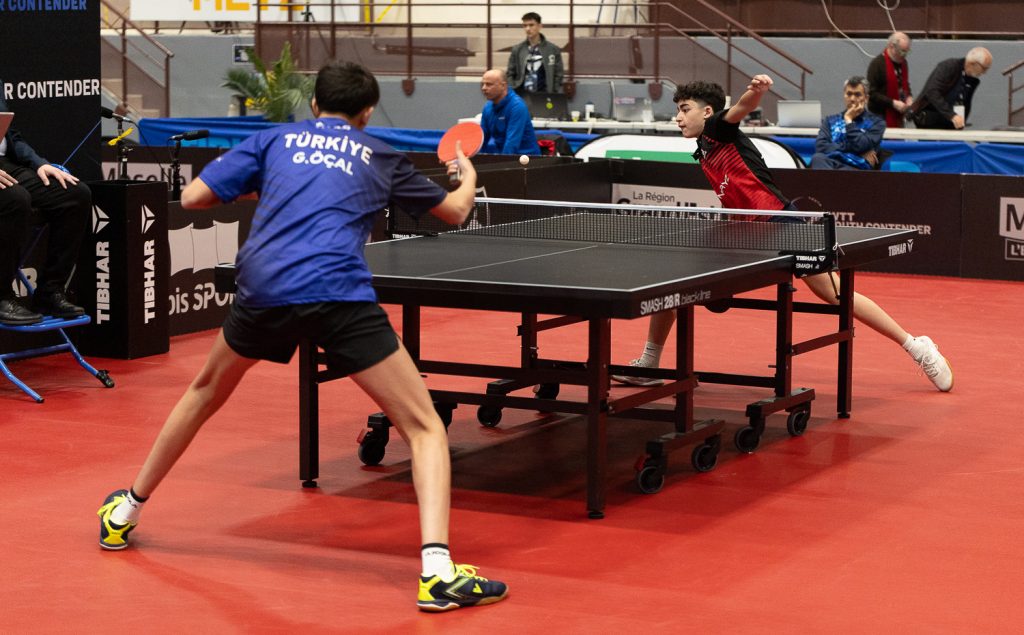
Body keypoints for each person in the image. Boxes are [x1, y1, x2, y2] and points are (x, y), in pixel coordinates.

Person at [95, 61, 508, 612]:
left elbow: (193, 198)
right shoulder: (379, 153)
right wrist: (468, 174)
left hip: (264, 286)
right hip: (338, 293)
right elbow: (454, 212)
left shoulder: (273, 140)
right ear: (366, 113)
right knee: (424, 426)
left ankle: (125, 510)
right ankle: (437, 574)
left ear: (314, 104)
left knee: (203, 392)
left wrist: (262, 189)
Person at [613, 75, 953, 392]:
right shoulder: (702, 147)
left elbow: (741, 108)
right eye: (677, 110)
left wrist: (756, 92)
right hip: (743, 233)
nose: (678, 117)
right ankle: (650, 363)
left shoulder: (718, 129)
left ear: (707, 112)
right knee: (674, 283)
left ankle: (917, 345)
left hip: (781, 224)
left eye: (685, 109)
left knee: (834, 293)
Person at [0, 87, 90, 326]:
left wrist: (39, 163)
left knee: (75, 194)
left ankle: (50, 292)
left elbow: (11, 135)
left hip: (6, 165)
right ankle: (2, 296)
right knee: (15, 198)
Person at [810, 76, 887, 170]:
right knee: (818, 158)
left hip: (856, 169)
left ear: (866, 98)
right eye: (849, 94)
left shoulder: (877, 123)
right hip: (830, 163)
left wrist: (848, 120)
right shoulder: (830, 121)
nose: (852, 99)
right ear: (844, 95)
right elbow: (820, 147)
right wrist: (853, 151)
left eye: (857, 95)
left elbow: (860, 145)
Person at [911, 47, 993, 130]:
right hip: (930, 120)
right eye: (984, 68)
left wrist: (961, 120)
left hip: (950, 123)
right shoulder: (949, 66)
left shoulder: (971, 80)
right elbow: (932, 91)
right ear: (973, 63)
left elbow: (966, 102)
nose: (985, 72)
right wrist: (952, 115)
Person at [480, 68, 540, 156]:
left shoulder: (517, 107)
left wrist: (502, 163)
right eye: (483, 84)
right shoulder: (487, 107)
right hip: (503, 156)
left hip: (526, 158)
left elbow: (512, 144)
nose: (484, 88)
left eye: (489, 84)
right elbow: (482, 139)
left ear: (503, 86)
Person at [506, 12, 564, 95]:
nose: (527, 29)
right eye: (525, 25)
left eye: (531, 25)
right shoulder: (517, 49)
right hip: (522, 94)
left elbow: (558, 74)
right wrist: (513, 89)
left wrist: (553, 92)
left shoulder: (553, 49)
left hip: (544, 94)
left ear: (540, 26)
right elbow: (510, 73)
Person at [867, 32, 914, 129]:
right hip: (879, 116)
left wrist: (909, 97)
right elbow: (871, 93)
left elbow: (904, 84)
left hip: (898, 115)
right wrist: (892, 103)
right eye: (902, 51)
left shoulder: (903, 63)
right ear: (891, 46)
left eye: (907, 51)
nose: (904, 55)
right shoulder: (877, 64)